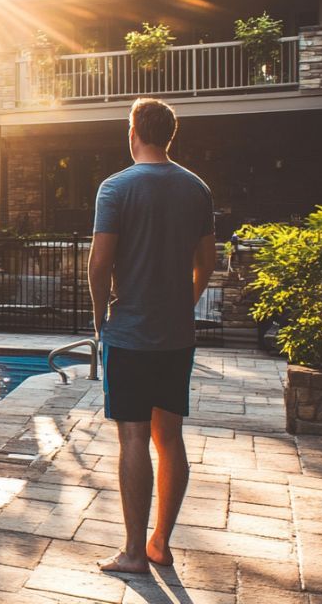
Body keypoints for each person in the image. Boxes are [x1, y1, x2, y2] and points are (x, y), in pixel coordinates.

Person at [88, 97, 217, 574]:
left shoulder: (115, 188)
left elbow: (99, 265)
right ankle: (160, 543)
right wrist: (186, 301)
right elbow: (208, 262)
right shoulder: (196, 189)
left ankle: (132, 552)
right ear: (170, 136)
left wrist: (100, 319)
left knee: (133, 440)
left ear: (133, 132)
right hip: (176, 336)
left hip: (131, 334)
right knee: (171, 440)